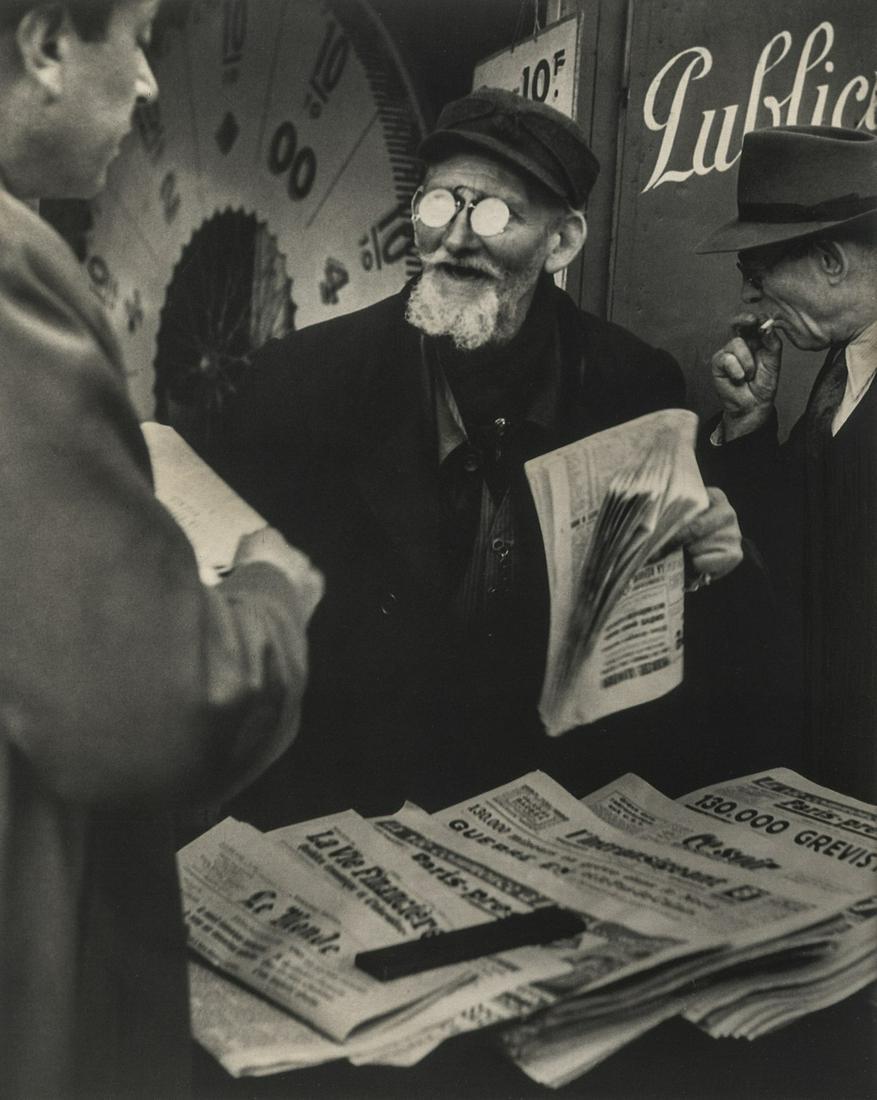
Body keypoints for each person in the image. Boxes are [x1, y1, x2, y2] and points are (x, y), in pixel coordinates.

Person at [223, 87, 751, 830]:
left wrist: (708, 565)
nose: (457, 239)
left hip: (550, 816)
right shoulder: (302, 386)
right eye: (439, 206)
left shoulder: (633, 384)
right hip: (349, 811)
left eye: (496, 214)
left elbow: (663, 656)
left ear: (561, 243)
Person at [0, 3, 323, 1097]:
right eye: (134, 37)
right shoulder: (11, 276)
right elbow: (147, 706)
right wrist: (273, 594)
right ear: (43, 43)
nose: (146, 83)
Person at [697, 124, 877, 804]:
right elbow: (805, 549)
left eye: (756, 273)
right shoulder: (842, 360)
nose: (749, 300)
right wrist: (748, 423)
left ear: (829, 260)